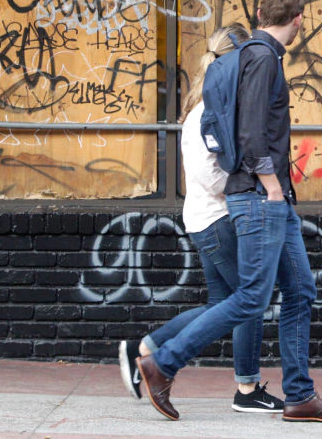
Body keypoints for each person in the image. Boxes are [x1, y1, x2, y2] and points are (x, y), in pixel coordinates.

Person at [137, 0, 322, 423]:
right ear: (299, 19)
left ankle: (299, 395)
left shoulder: (252, 57)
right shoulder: (261, 60)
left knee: (300, 291)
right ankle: (164, 362)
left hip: (271, 198)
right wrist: (273, 188)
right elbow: (252, 133)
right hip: (261, 198)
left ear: (259, 14)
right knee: (252, 296)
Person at [118, 23, 284, 414]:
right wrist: (252, 178)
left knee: (223, 304)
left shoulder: (207, 107)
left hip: (206, 220)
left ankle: (145, 348)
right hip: (217, 220)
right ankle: (243, 389)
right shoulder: (208, 113)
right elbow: (210, 176)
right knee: (248, 300)